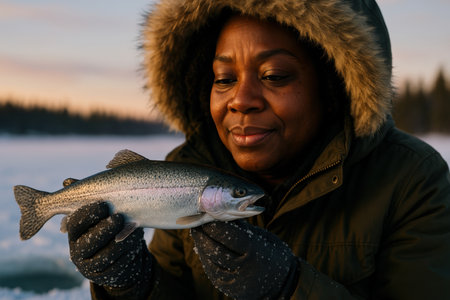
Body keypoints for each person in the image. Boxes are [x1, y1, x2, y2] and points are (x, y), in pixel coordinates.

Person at [65, 0, 450, 299]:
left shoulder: (411, 179)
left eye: (274, 76)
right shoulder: (187, 168)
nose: (241, 99)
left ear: (334, 86)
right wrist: (132, 286)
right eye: (224, 79)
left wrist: (289, 288)